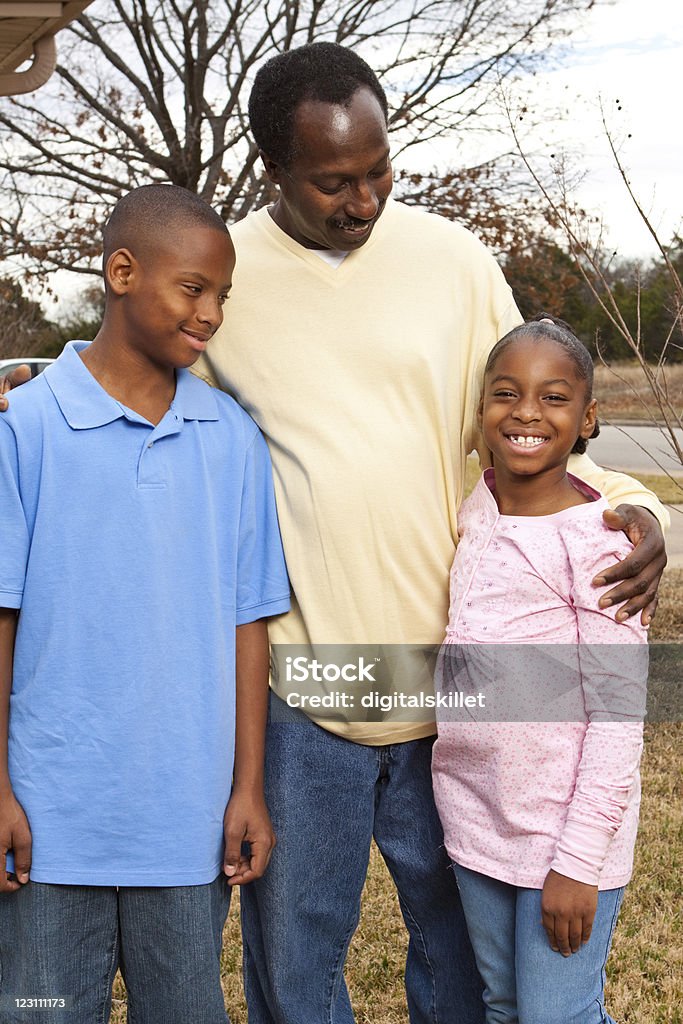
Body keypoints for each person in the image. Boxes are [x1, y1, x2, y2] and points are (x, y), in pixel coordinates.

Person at [0, 43, 668, 1024]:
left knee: (456, 958)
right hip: (309, 689)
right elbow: (140, 356)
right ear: (274, 169)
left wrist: (626, 501)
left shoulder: (451, 260)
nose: (363, 200)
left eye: (377, 171)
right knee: (294, 958)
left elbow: (533, 409)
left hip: (448, 682)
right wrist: (32, 382)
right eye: (333, 183)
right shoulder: (227, 271)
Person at [0, 184, 290, 1024]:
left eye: (223, 297)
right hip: (50, 827)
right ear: (121, 272)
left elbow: (248, 624)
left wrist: (247, 788)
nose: (211, 314)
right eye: (193, 288)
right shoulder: (26, 427)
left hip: (186, 824)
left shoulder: (229, 436)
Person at [431, 315, 649, 1023]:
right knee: (501, 1005)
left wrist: (577, 861)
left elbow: (616, 721)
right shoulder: (477, 510)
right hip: (476, 819)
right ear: (482, 411)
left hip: (564, 837)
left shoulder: (598, 548)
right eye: (505, 393)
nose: (525, 412)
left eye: (552, 398)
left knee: (559, 1015)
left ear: (586, 419)